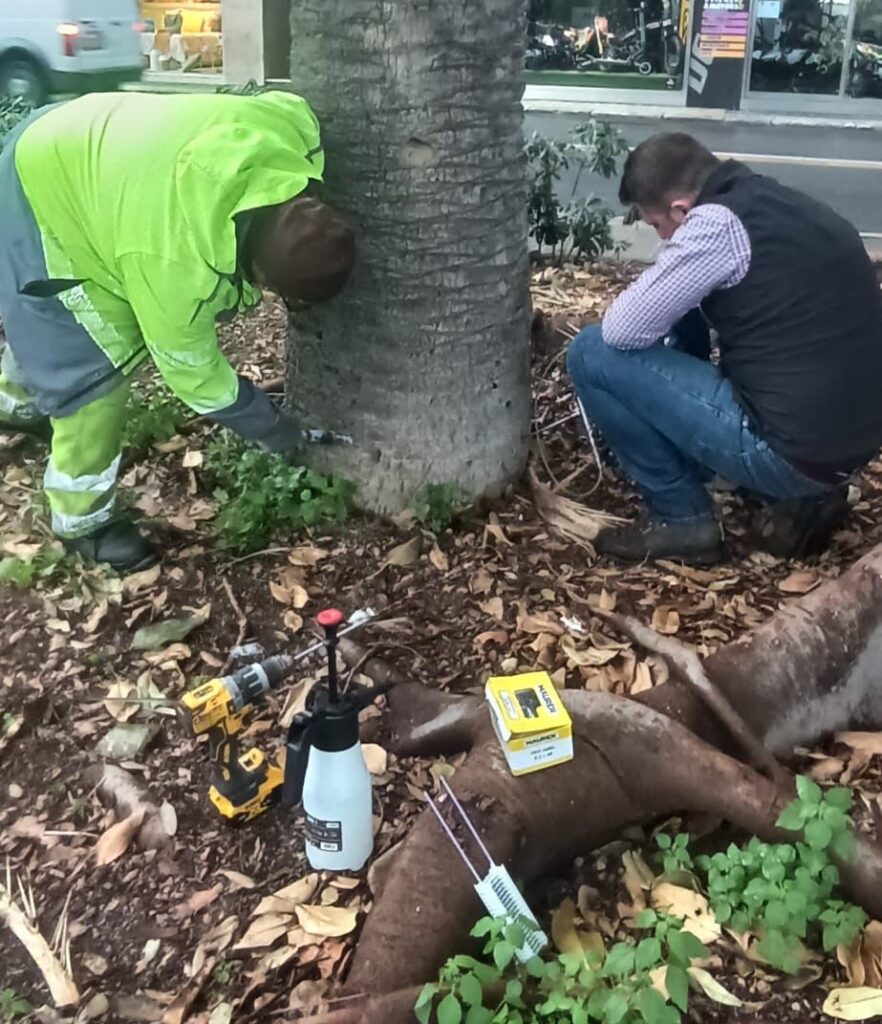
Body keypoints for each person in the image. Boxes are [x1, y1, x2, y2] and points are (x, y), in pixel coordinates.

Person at [0, 90, 355, 574]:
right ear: (262, 277)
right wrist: (273, 429)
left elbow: (296, 108)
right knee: (93, 366)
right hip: (41, 190)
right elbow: (195, 377)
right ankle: (82, 520)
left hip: (75, 131)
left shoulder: (286, 135)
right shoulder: (173, 266)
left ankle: (15, 400)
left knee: (54, 323)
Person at [566, 132, 882, 565]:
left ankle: (683, 519)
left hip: (790, 455)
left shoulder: (716, 227)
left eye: (657, 225)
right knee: (685, 304)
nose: (662, 239)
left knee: (590, 353)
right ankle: (803, 496)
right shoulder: (782, 204)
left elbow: (620, 331)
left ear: (681, 209)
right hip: (849, 445)